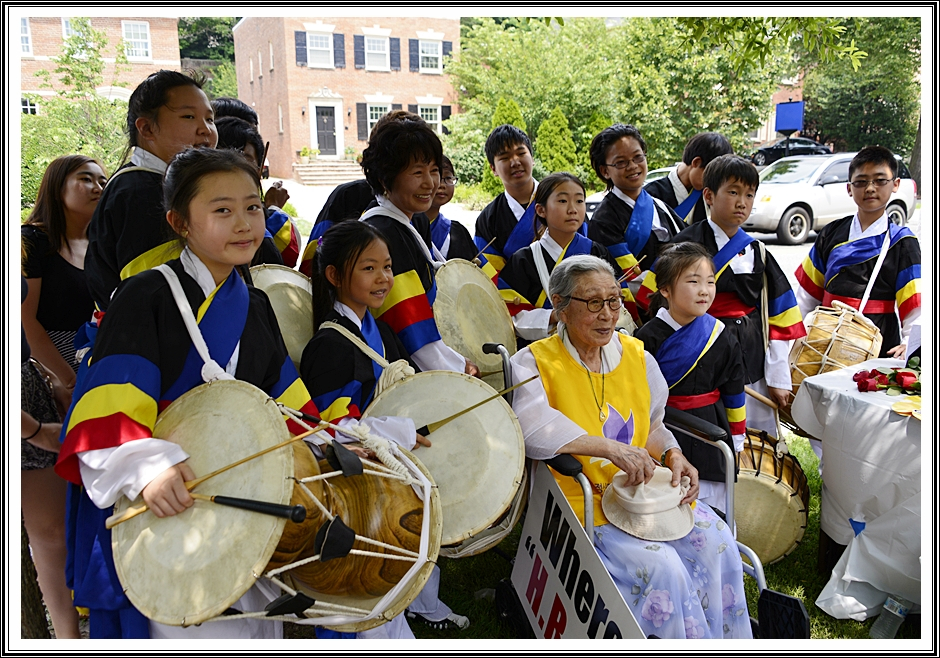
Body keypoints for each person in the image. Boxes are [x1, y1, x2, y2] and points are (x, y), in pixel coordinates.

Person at [55, 148, 321, 639]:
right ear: (180, 222)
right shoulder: (144, 296)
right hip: (171, 503)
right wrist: (145, 467)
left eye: (253, 207)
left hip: (247, 500)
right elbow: (106, 416)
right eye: (222, 210)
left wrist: (343, 438)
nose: (243, 223)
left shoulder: (256, 302)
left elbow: (286, 405)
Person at [509, 255, 751, 639]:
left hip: (644, 491)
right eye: (592, 302)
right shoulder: (534, 362)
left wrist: (673, 454)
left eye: (614, 301)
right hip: (583, 499)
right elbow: (532, 429)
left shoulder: (637, 355)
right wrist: (607, 449)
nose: (607, 314)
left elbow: (652, 425)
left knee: (718, 542)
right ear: (559, 305)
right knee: (662, 568)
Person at [300, 220, 470, 638]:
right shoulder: (329, 347)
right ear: (335, 276)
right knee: (362, 582)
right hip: (354, 488)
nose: (384, 278)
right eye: (369, 268)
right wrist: (401, 431)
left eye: (388, 267)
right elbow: (334, 430)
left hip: (388, 471)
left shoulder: (381, 329)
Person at [638, 155, 805, 436]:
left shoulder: (757, 252)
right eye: (733, 192)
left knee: (754, 439)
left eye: (749, 194)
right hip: (696, 353)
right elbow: (651, 298)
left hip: (750, 356)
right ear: (709, 195)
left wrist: (778, 374)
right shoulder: (681, 246)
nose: (742, 202)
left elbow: (780, 313)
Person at [84, 70, 218, 312]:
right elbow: (160, 295)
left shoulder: (162, 185)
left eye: (209, 119)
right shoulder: (142, 193)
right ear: (146, 129)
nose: (205, 130)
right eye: (189, 116)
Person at [357, 114, 477, 375]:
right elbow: (410, 329)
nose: (430, 183)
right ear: (386, 179)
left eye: (434, 170)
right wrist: (459, 368)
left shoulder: (413, 221)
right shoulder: (382, 235)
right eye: (417, 173)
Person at [634, 242, 747, 513]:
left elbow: (734, 389)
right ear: (665, 290)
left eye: (710, 282)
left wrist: (737, 437)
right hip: (663, 426)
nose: (704, 290)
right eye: (693, 281)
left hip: (711, 426)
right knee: (666, 500)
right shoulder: (646, 338)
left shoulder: (721, 334)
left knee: (713, 505)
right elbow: (637, 393)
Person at [794, 145, 921, 358]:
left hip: (877, 341)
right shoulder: (831, 233)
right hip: (825, 338)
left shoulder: (903, 243)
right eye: (861, 182)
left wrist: (909, 342)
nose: (870, 188)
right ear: (849, 188)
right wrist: (796, 335)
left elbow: (914, 304)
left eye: (880, 180)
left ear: (895, 185)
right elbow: (806, 295)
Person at [498, 172, 638, 345]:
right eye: (563, 201)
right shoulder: (524, 260)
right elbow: (511, 315)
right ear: (541, 209)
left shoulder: (596, 251)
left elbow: (620, 303)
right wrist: (554, 315)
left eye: (579, 201)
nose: (573, 209)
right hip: (545, 352)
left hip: (597, 349)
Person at [20, 273, 81, 639]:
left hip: (26, 388)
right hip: (23, 415)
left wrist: (44, 375)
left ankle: (67, 639)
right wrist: (33, 431)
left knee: (53, 533)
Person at [299, 110, 430, 277]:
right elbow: (316, 258)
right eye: (417, 171)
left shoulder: (418, 214)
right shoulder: (347, 196)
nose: (428, 183)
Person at [22, 155, 107, 390]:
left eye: (103, 181)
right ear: (58, 188)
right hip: (48, 368)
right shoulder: (31, 241)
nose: (98, 188)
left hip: (98, 360)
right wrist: (68, 380)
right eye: (86, 179)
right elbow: (24, 321)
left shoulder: (101, 246)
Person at [587, 124, 684, 287]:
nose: (632, 166)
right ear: (605, 171)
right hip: (638, 303)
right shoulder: (603, 220)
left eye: (638, 157)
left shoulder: (660, 206)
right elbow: (623, 277)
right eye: (621, 162)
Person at [214, 116, 299, 267]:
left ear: (259, 170)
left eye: (245, 161)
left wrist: (273, 211)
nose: (233, 170)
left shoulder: (272, 225)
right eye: (222, 160)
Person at [644, 132, 733, 226]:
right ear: (696, 162)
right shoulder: (651, 196)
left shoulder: (707, 195)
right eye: (711, 175)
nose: (712, 183)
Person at [426, 156, 477, 262]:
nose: (442, 185)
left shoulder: (457, 232)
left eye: (448, 178)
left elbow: (483, 274)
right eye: (436, 178)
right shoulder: (405, 228)